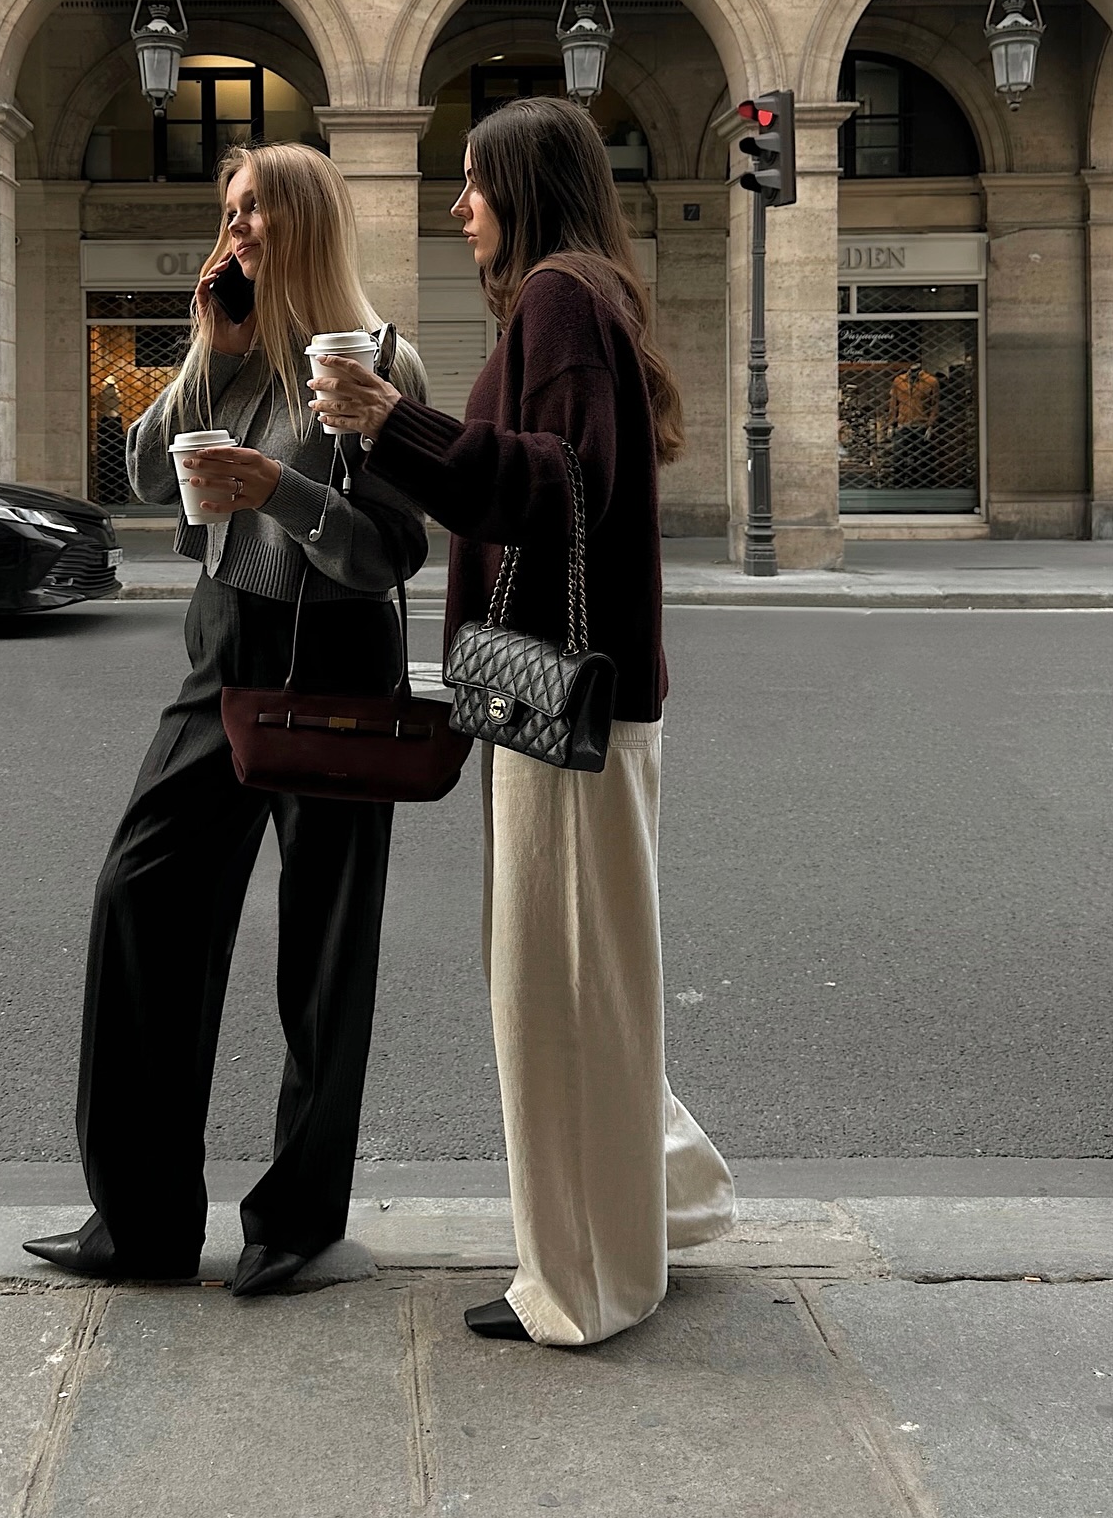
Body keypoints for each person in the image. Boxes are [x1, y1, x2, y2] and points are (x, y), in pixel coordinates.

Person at [308, 95, 736, 1347]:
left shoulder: (557, 296)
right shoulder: (581, 292)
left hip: (560, 699)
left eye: (475, 184)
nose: (459, 207)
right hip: (581, 695)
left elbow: (566, 488)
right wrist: (398, 436)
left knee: (554, 991)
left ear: (527, 188)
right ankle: (654, 1209)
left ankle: (586, 1280)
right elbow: (553, 477)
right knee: (585, 978)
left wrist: (400, 423)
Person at [25, 143, 428, 1297]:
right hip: (222, 653)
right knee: (141, 898)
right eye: (230, 210)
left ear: (303, 218)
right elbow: (153, 477)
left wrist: (284, 491)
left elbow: (393, 549)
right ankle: (142, 1222)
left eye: (253, 209)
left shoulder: (378, 357)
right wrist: (210, 347)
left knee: (323, 952)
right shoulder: (237, 349)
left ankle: (295, 1226)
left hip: (337, 660)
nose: (235, 228)